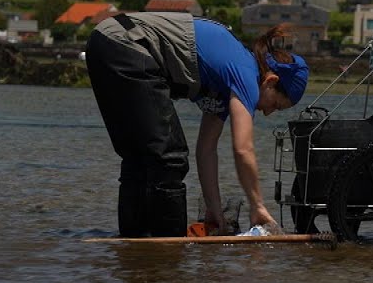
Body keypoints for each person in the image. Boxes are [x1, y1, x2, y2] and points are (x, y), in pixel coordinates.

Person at [85, 12, 309, 237]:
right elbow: (243, 148)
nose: (268, 112)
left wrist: (213, 207)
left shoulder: (224, 84)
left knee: (140, 158)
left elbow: (206, 150)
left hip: (104, 42)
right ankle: (170, 250)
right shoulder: (245, 72)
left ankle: (135, 244)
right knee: (170, 158)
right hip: (126, 44)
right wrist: (257, 205)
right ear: (271, 81)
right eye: (276, 105)